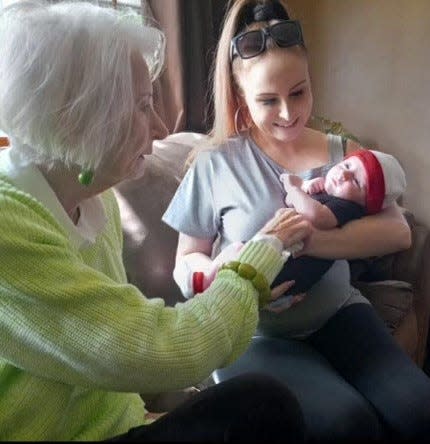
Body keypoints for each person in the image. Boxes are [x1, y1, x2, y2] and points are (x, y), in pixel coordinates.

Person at [0, 1, 312, 441]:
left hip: (119, 422)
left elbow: (112, 336)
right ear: (80, 118)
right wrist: (260, 258)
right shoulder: (8, 224)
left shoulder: (94, 200)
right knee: (265, 405)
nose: (163, 127)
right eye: (144, 106)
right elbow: (165, 348)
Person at [162, 0, 430, 441]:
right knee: (345, 425)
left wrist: (300, 241)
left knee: (419, 412)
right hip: (255, 335)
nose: (288, 113)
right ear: (242, 100)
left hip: (341, 315)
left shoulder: (345, 154)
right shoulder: (214, 165)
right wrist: (209, 273)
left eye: (299, 92)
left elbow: (397, 231)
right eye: (268, 100)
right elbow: (184, 260)